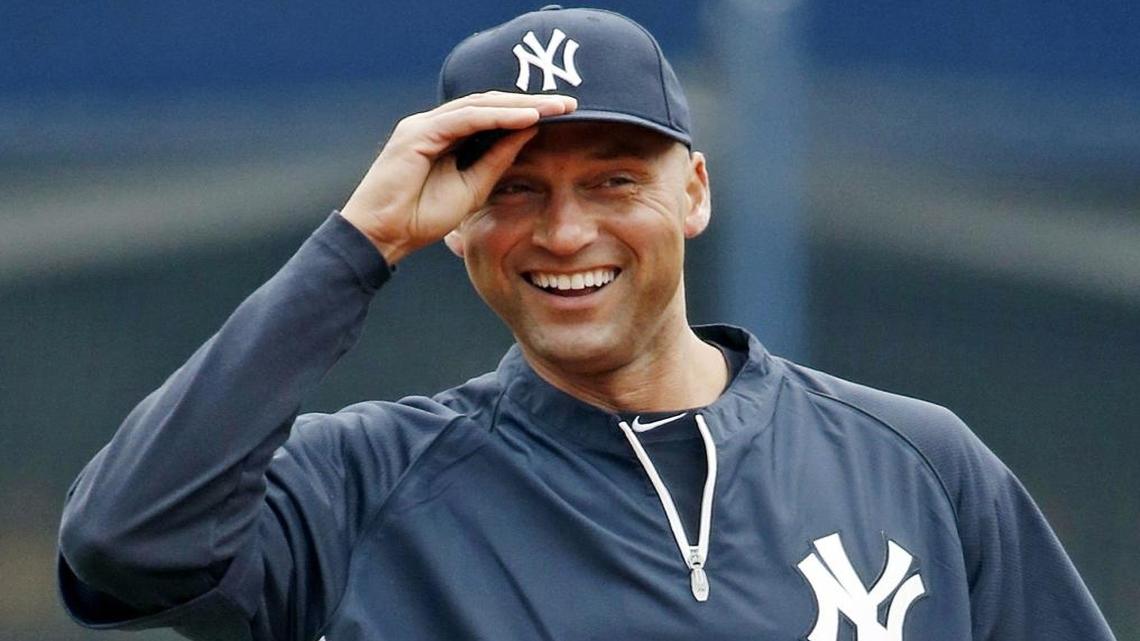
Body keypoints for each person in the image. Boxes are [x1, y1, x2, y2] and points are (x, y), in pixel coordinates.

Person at [58, 6, 1116, 641]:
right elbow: (124, 541)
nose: (566, 231)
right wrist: (357, 243)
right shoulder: (363, 485)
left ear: (695, 191)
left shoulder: (917, 464)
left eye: (615, 178)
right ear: (458, 222)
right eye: (515, 189)